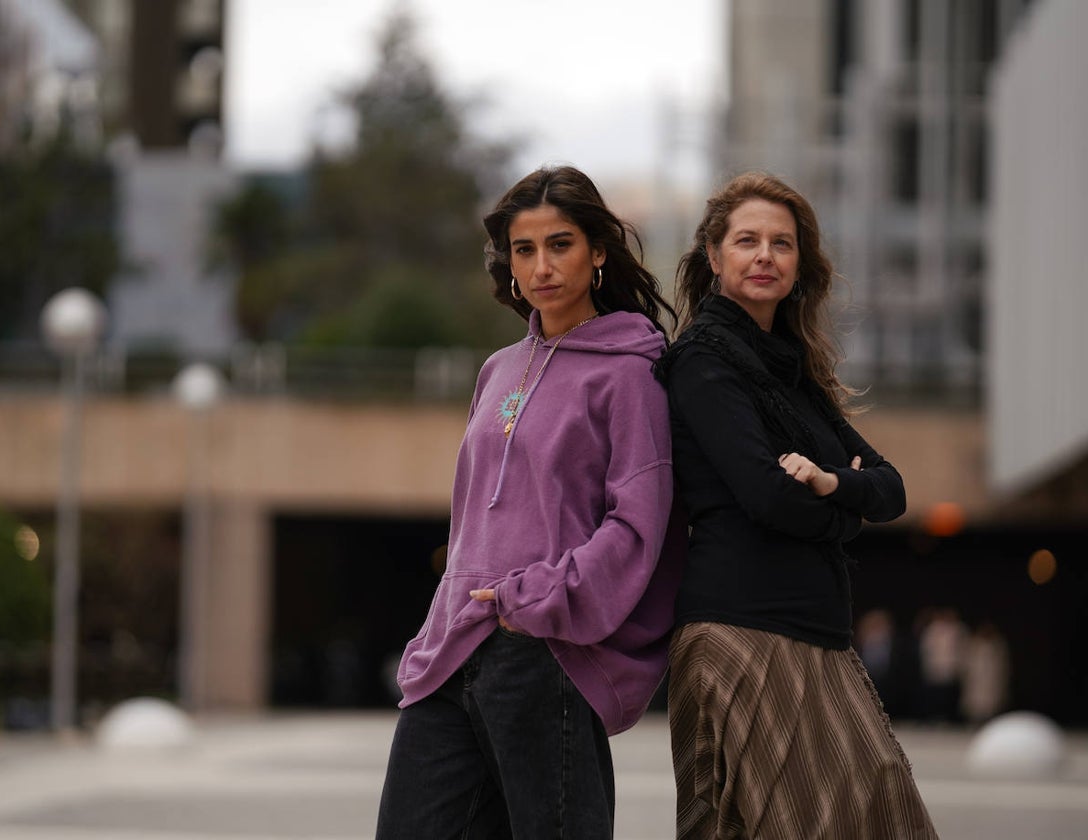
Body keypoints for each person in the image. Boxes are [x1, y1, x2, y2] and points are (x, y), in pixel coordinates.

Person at [375, 165, 681, 839]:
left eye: (560, 244)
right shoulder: (498, 369)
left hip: (544, 651)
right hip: (451, 648)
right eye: (524, 249)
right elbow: (470, 520)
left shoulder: (631, 374)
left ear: (599, 251)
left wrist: (537, 602)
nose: (542, 266)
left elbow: (637, 526)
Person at [653, 172, 938, 839]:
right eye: (747, 240)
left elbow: (892, 489)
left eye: (782, 244)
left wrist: (832, 484)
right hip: (742, 630)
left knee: (872, 810)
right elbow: (765, 495)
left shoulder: (797, 374)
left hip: (813, 631)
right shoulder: (702, 360)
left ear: (800, 264)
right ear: (714, 257)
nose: (765, 256)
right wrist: (844, 510)